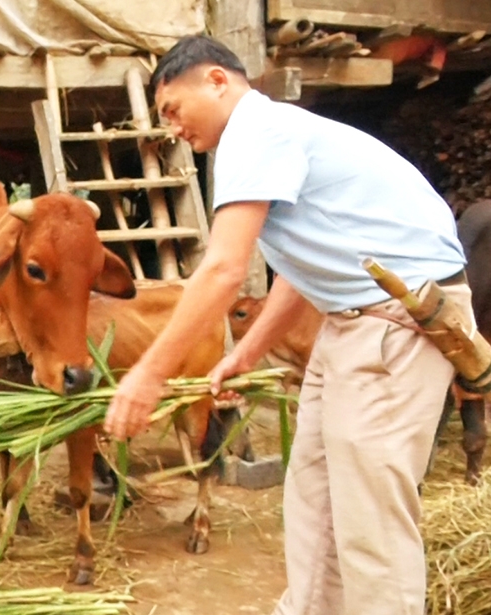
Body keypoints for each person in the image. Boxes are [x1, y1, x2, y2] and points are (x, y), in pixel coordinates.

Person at [103, 35, 475, 615]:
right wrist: (248, 351)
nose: (172, 129)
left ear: (217, 81)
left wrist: (150, 372)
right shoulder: (272, 137)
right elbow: (303, 269)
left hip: (398, 320)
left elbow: (224, 269)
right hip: (351, 322)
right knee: (316, 496)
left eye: (173, 109)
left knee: (368, 516)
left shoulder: (256, 132)